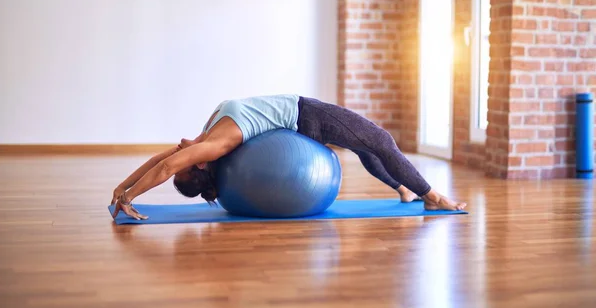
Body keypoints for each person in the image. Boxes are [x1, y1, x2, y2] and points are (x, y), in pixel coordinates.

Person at [111, 94, 467, 220]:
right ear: (200, 163)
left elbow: (162, 159)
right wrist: (130, 198)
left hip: (301, 124)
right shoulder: (215, 146)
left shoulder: (205, 138)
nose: (181, 145)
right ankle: (432, 197)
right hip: (307, 115)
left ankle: (403, 189)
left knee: (366, 148)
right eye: (188, 157)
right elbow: (169, 166)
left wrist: (121, 189)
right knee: (382, 141)